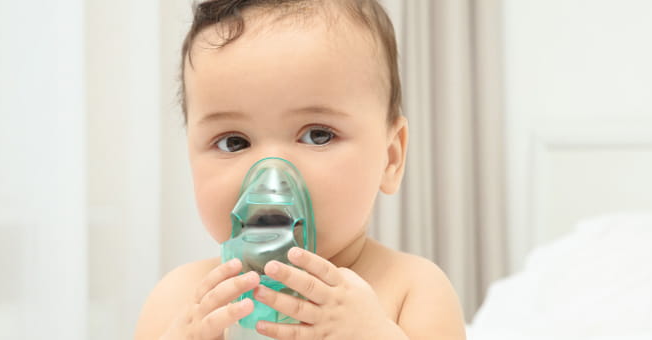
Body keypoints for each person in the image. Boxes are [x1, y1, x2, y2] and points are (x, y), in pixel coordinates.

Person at [136, 0, 466, 338]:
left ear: (390, 157)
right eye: (233, 142)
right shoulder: (179, 301)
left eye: (317, 135)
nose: (271, 177)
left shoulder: (413, 291)